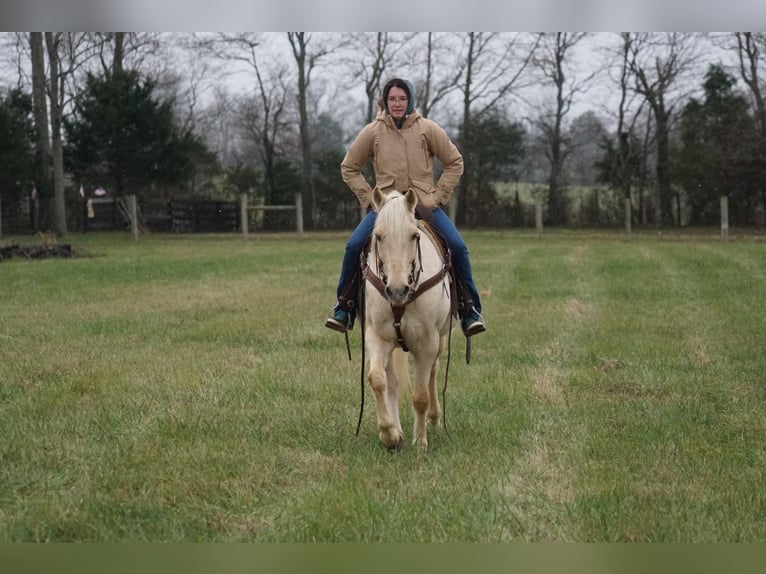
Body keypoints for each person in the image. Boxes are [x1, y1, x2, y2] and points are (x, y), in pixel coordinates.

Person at [324, 77, 486, 337]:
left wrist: (437, 196)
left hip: (422, 206)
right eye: (392, 99)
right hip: (385, 210)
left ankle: (469, 310)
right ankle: (345, 307)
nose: (397, 104)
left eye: (401, 99)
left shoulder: (428, 129)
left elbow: (455, 162)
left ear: (409, 100)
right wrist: (370, 198)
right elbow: (349, 167)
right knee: (354, 246)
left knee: (457, 246)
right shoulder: (372, 132)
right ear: (385, 102)